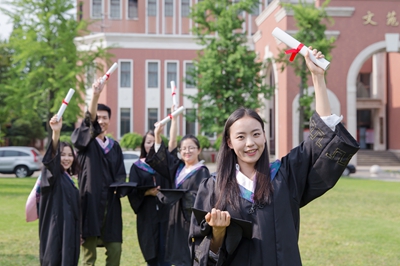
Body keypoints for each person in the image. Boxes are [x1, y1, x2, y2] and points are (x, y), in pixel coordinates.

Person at [189, 49, 360, 265]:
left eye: (256, 134)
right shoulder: (213, 187)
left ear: (264, 136)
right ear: (230, 143)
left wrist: (317, 78)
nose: (250, 143)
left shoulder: (284, 175)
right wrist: (218, 232)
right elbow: (203, 254)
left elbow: (321, 138)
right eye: (241, 137)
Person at [145, 107, 210, 266]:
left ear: (199, 150)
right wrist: (158, 135)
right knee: (177, 258)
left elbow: (204, 198)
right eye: (183, 149)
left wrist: (185, 196)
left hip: (191, 222)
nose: (187, 151)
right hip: (175, 220)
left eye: (191, 148)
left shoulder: (202, 171)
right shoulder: (179, 168)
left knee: (191, 257)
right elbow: (164, 157)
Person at [71, 79, 126, 266]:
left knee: (115, 250)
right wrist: (95, 95)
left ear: (110, 121)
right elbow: (88, 122)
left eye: (105, 118)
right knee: (89, 257)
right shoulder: (86, 143)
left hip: (111, 205)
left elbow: (120, 174)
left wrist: (121, 188)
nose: (101, 121)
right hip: (89, 203)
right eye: (98, 117)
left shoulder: (115, 147)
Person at [38, 115, 81, 265]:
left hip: (70, 233)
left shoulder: (69, 180)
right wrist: (56, 133)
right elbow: (51, 161)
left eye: (70, 155)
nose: (67, 159)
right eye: (63, 155)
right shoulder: (53, 176)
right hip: (55, 232)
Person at [127, 130, 171, 266]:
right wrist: (147, 193)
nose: (151, 145)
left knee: (166, 253)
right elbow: (132, 191)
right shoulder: (137, 167)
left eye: (154, 142)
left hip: (165, 214)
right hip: (147, 214)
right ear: (143, 145)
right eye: (148, 142)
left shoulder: (164, 165)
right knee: (151, 252)